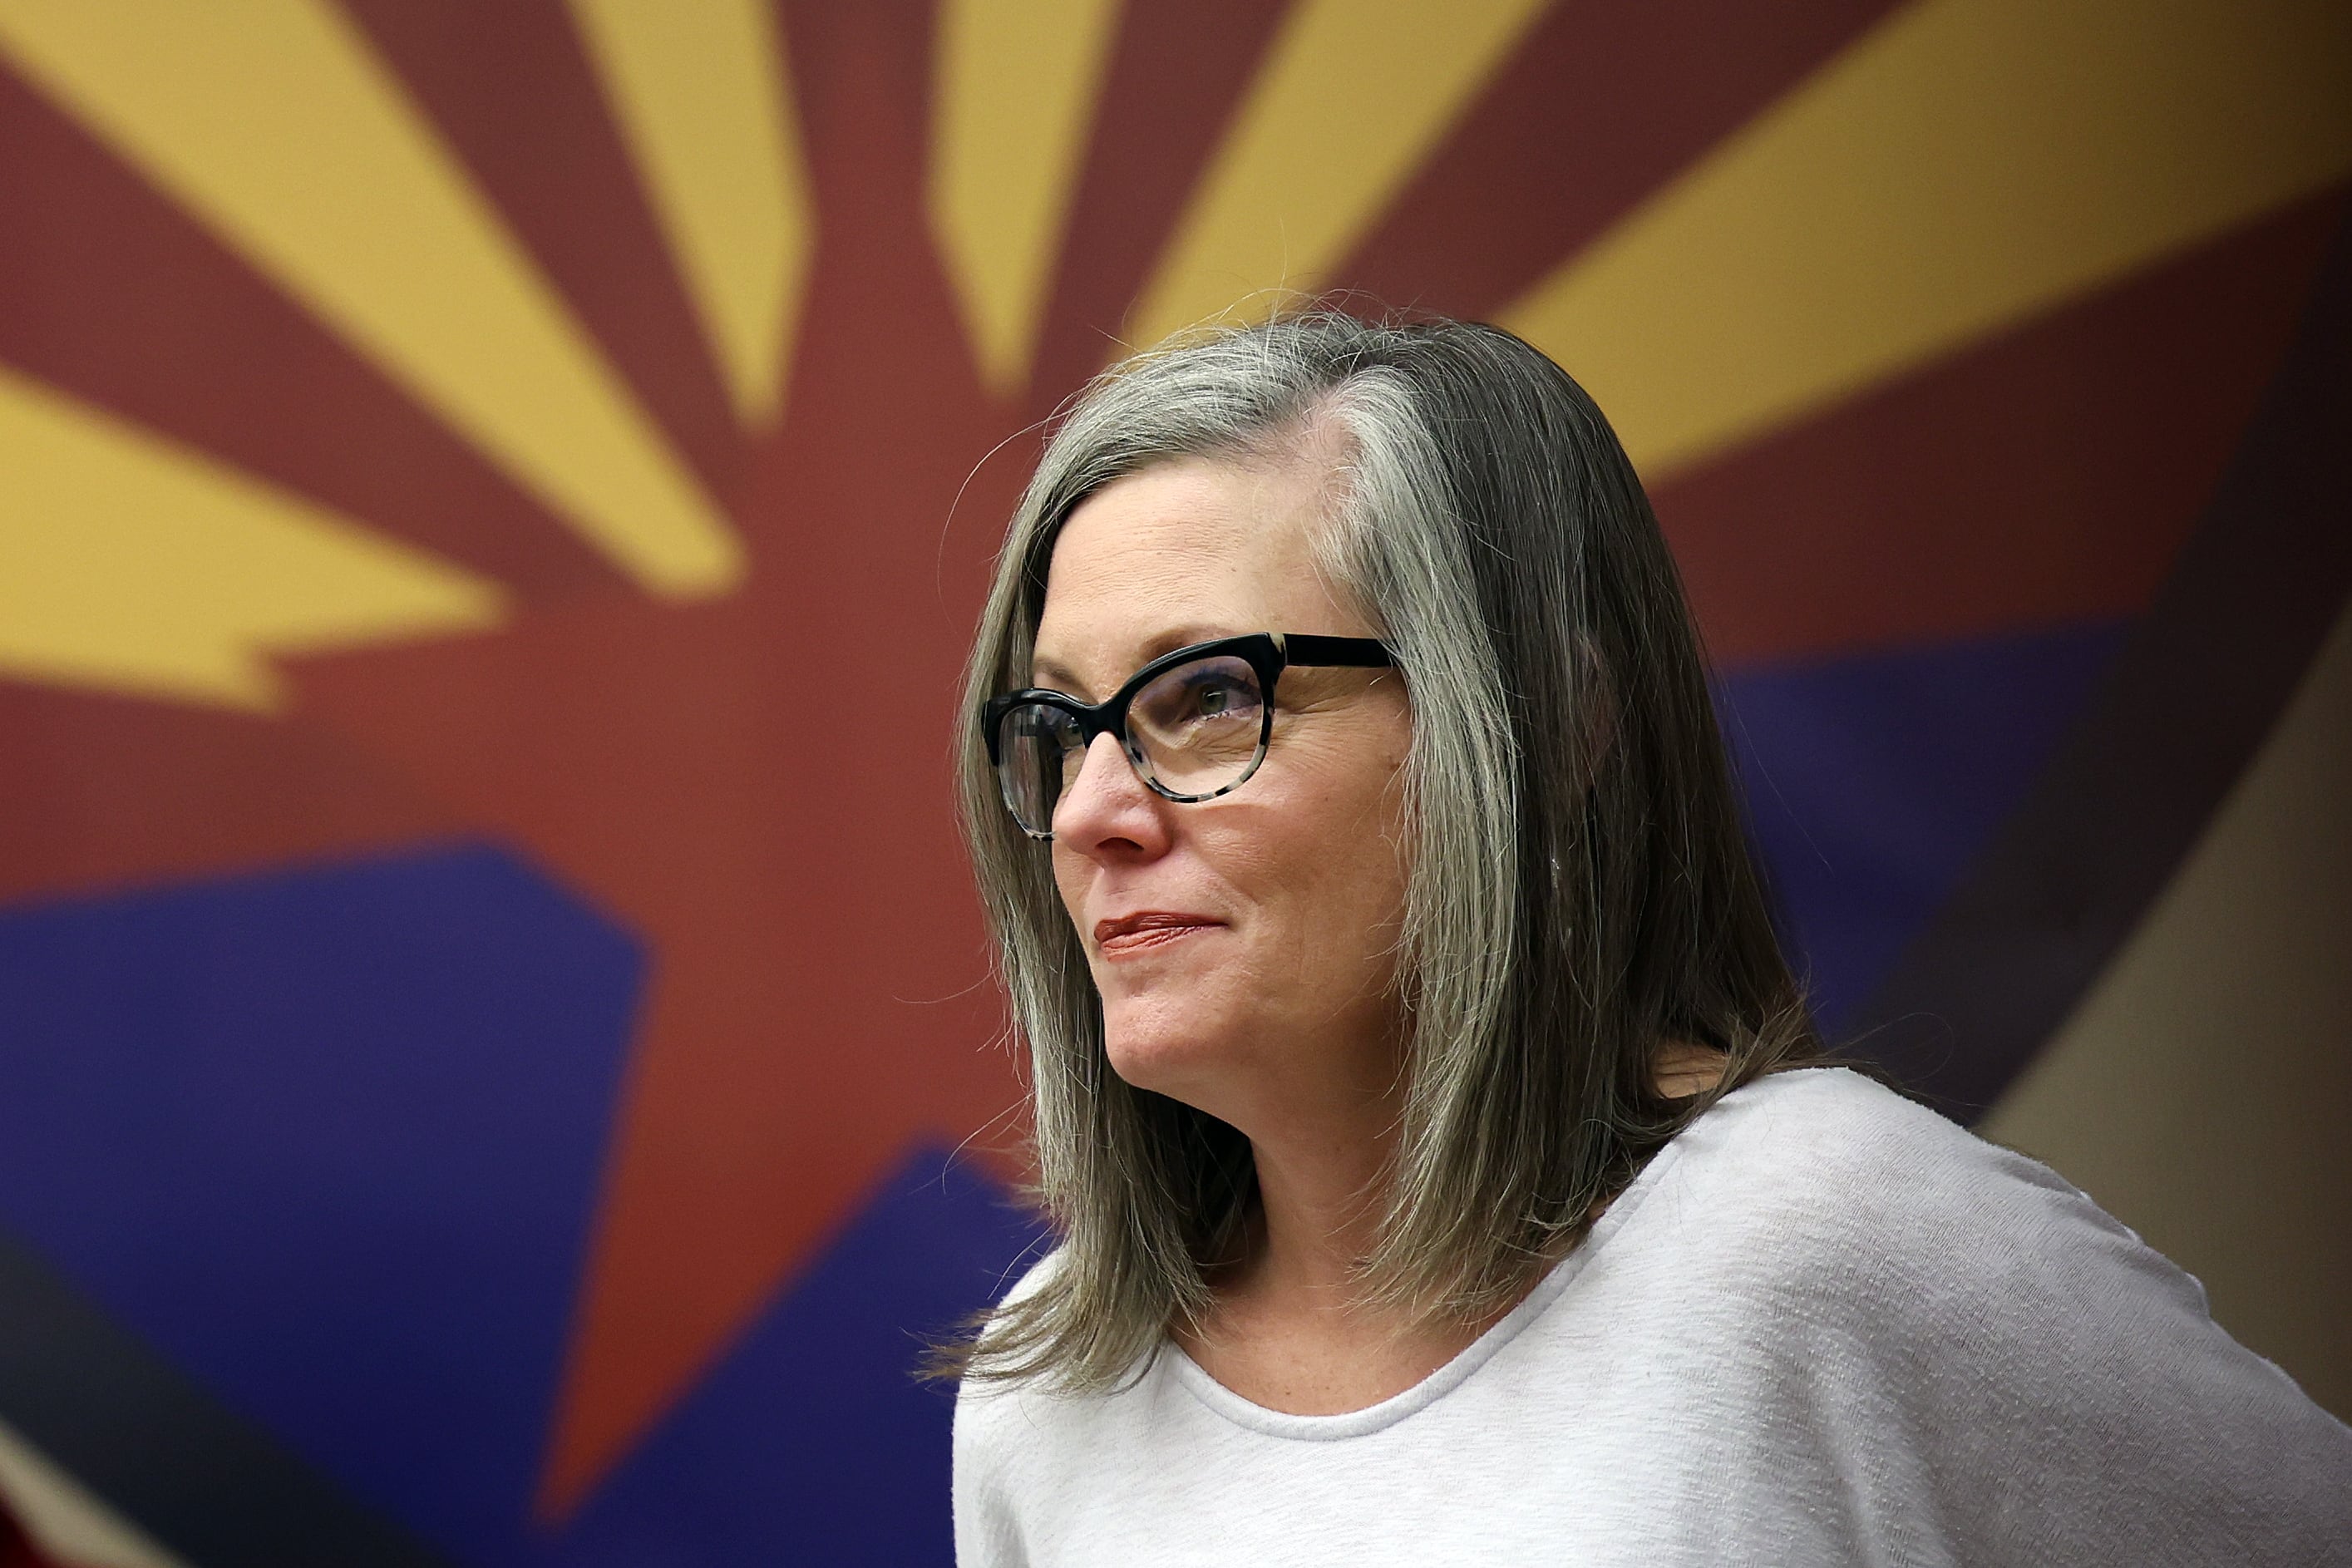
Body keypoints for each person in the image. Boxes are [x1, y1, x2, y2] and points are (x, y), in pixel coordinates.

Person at [943, 313, 2351, 1565]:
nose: (1090, 812)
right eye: (1056, 728)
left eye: (1201, 697)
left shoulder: (1823, 1233)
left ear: (1550, 729)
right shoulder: (1043, 1391)